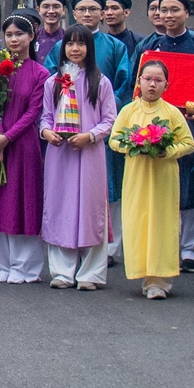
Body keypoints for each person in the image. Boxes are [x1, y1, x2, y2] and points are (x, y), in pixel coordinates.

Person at [133, 0, 194, 273]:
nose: (168, 15)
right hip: (156, 127)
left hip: (193, 126)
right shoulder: (149, 48)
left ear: (186, 12)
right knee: (162, 186)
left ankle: (193, 250)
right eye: (163, 10)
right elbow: (137, 88)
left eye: (175, 9)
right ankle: (166, 246)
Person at [110, 56, 194, 298]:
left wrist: (167, 151)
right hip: (136, 175)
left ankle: (159, 281)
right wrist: (134, 143)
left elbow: (189, 143)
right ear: (139, 81)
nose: (152, 84)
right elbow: (114, 139)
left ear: (166, 85)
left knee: (162, 224)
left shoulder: (172, 113)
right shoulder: (128, 111)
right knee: (138, 222)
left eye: (158, 80)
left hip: (163, 177)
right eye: (147, 79)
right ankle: (141, 272)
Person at [39, 26, 118, 289]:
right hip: (60, 153)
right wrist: (46, 132)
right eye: (70, 44)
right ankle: (62, 272)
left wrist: (91, 136)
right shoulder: (53, 82)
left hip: (90, 155)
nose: (75, 49)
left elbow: (109, 120)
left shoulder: (100, 82)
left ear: (89, 48)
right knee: (60, 206)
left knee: (91, 209)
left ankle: (91, 274)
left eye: (81, 44)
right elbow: (46, 116)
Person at [0, 16, 50, 284]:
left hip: (23, 144)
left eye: (20, 34)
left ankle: (25, 267)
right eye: (9, 34)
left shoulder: (41, 74)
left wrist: (9, 136)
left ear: (32, 37)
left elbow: (34, 111)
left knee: (22, 202)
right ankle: (1, 264)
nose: (14, 39)